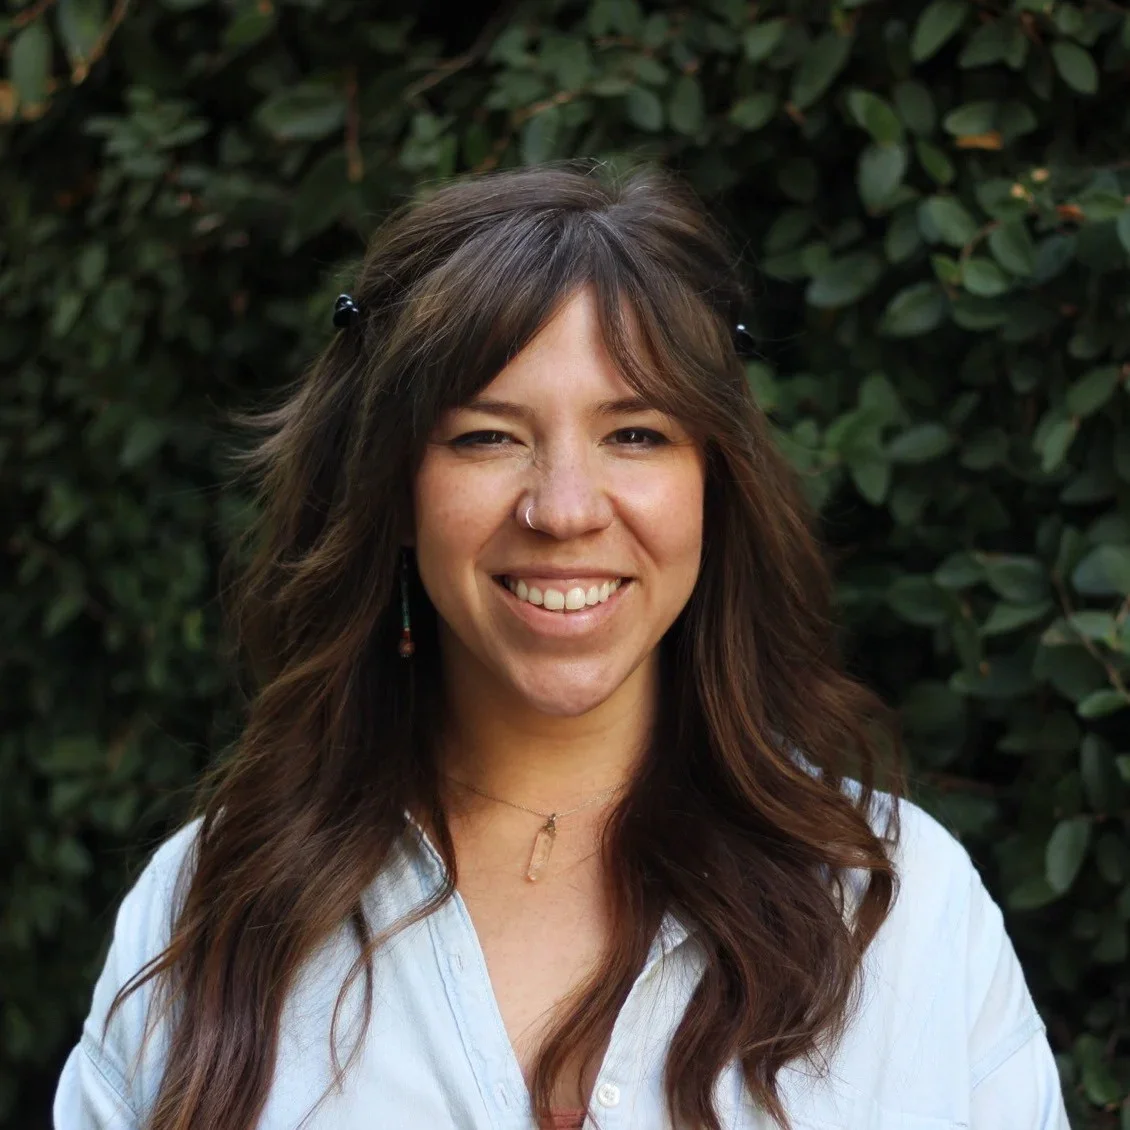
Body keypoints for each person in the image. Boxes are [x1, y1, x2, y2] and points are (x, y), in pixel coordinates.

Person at [53, 162, 1070, 1130]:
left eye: (634, 434)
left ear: (713, 482)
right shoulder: (214, 905)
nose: (563, 508)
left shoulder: (897, 909)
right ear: (394, 491)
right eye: (486, 435)